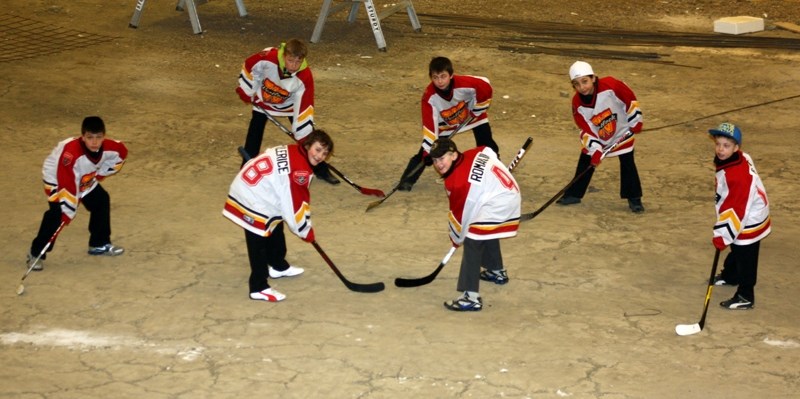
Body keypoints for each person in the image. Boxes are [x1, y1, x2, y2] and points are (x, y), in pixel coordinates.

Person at [223, 129, 335, 302]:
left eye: (325, 153)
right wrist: (305, 231)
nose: (320, 156)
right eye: (318, 149)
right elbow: (296, 204)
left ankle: (278, 265)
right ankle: (258, 286)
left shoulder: (294, 150)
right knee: (258, 236)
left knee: (276, 221)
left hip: (259, 188)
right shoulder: (300, 171)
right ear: (307, 146)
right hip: (251, 195)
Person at [428, 138, 520, 311]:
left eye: (442, 159)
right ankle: (495, 270)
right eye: (434, 160)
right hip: (505, 192)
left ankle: (470, 297)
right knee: (484, 228)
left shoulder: (456, 183)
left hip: (499, 202)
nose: (438, 164)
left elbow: (460, 216)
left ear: (454, 155)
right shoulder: (475, 151)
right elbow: (489, 150)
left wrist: (456, 239)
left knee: (472, 239)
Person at [27, 116, 128, 271]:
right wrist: (68, 211)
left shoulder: (110, 147)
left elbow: (121, 154)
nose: (94, 142)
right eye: (89, 138)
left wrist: (99, 174)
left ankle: (99, 243)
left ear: (104, 136)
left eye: (98, 137)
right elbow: (67, 184)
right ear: (83, 137)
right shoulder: (71, 154)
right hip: (57, 178)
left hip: (83, 175)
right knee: (58, 215)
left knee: (101, 200)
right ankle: (36, 253)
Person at [235, 38, 339, 185]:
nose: (293, 66)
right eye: (290, 60)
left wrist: (303, 133)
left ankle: (320, 169)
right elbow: (250, 66)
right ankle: (246, 167)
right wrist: (247, 88)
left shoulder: (305, 76)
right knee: (254, 134)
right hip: (263, 102)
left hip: (289, 106)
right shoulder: (268, 58)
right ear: (284, 55)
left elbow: (305, 104)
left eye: (298, 62)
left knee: (309, 138)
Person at [398, 56, 498, 191]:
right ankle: (406, 181)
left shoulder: (464, 83)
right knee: (427, 152)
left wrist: (477, 109)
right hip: (446, 124)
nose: (439, 81)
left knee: (487, 145)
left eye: (443, 76)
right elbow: (429, 125)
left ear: (451, 75)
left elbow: (485, 85)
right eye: (435, 77)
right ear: (430, 77)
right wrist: (429, 152)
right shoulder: (429, 97)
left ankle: (494, 172)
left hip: (471, 116)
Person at [557, 60, 645, 213]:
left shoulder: (612, 85)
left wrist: (636, 120)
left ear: (594, 78)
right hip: (598, 134)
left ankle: (634, 198)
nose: (582, 87)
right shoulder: (577, 103)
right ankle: (574, 194)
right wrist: (595, 148)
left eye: (585, 81)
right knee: (585, 160)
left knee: (628, 163)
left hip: (621, 130)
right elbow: (585, 128)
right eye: (576, 84)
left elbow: (629, 99)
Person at [707, 123, 771, 310]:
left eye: (726, 146)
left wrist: (722, 236)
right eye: (718, 144)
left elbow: (735, 211)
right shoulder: (740, 157)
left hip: (749, 220)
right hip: (747, 210)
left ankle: (745, 295)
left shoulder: (737, 176)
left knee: (745, 256)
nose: (720, 149)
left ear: (736, 148)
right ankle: (731, 276)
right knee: (737, 250)